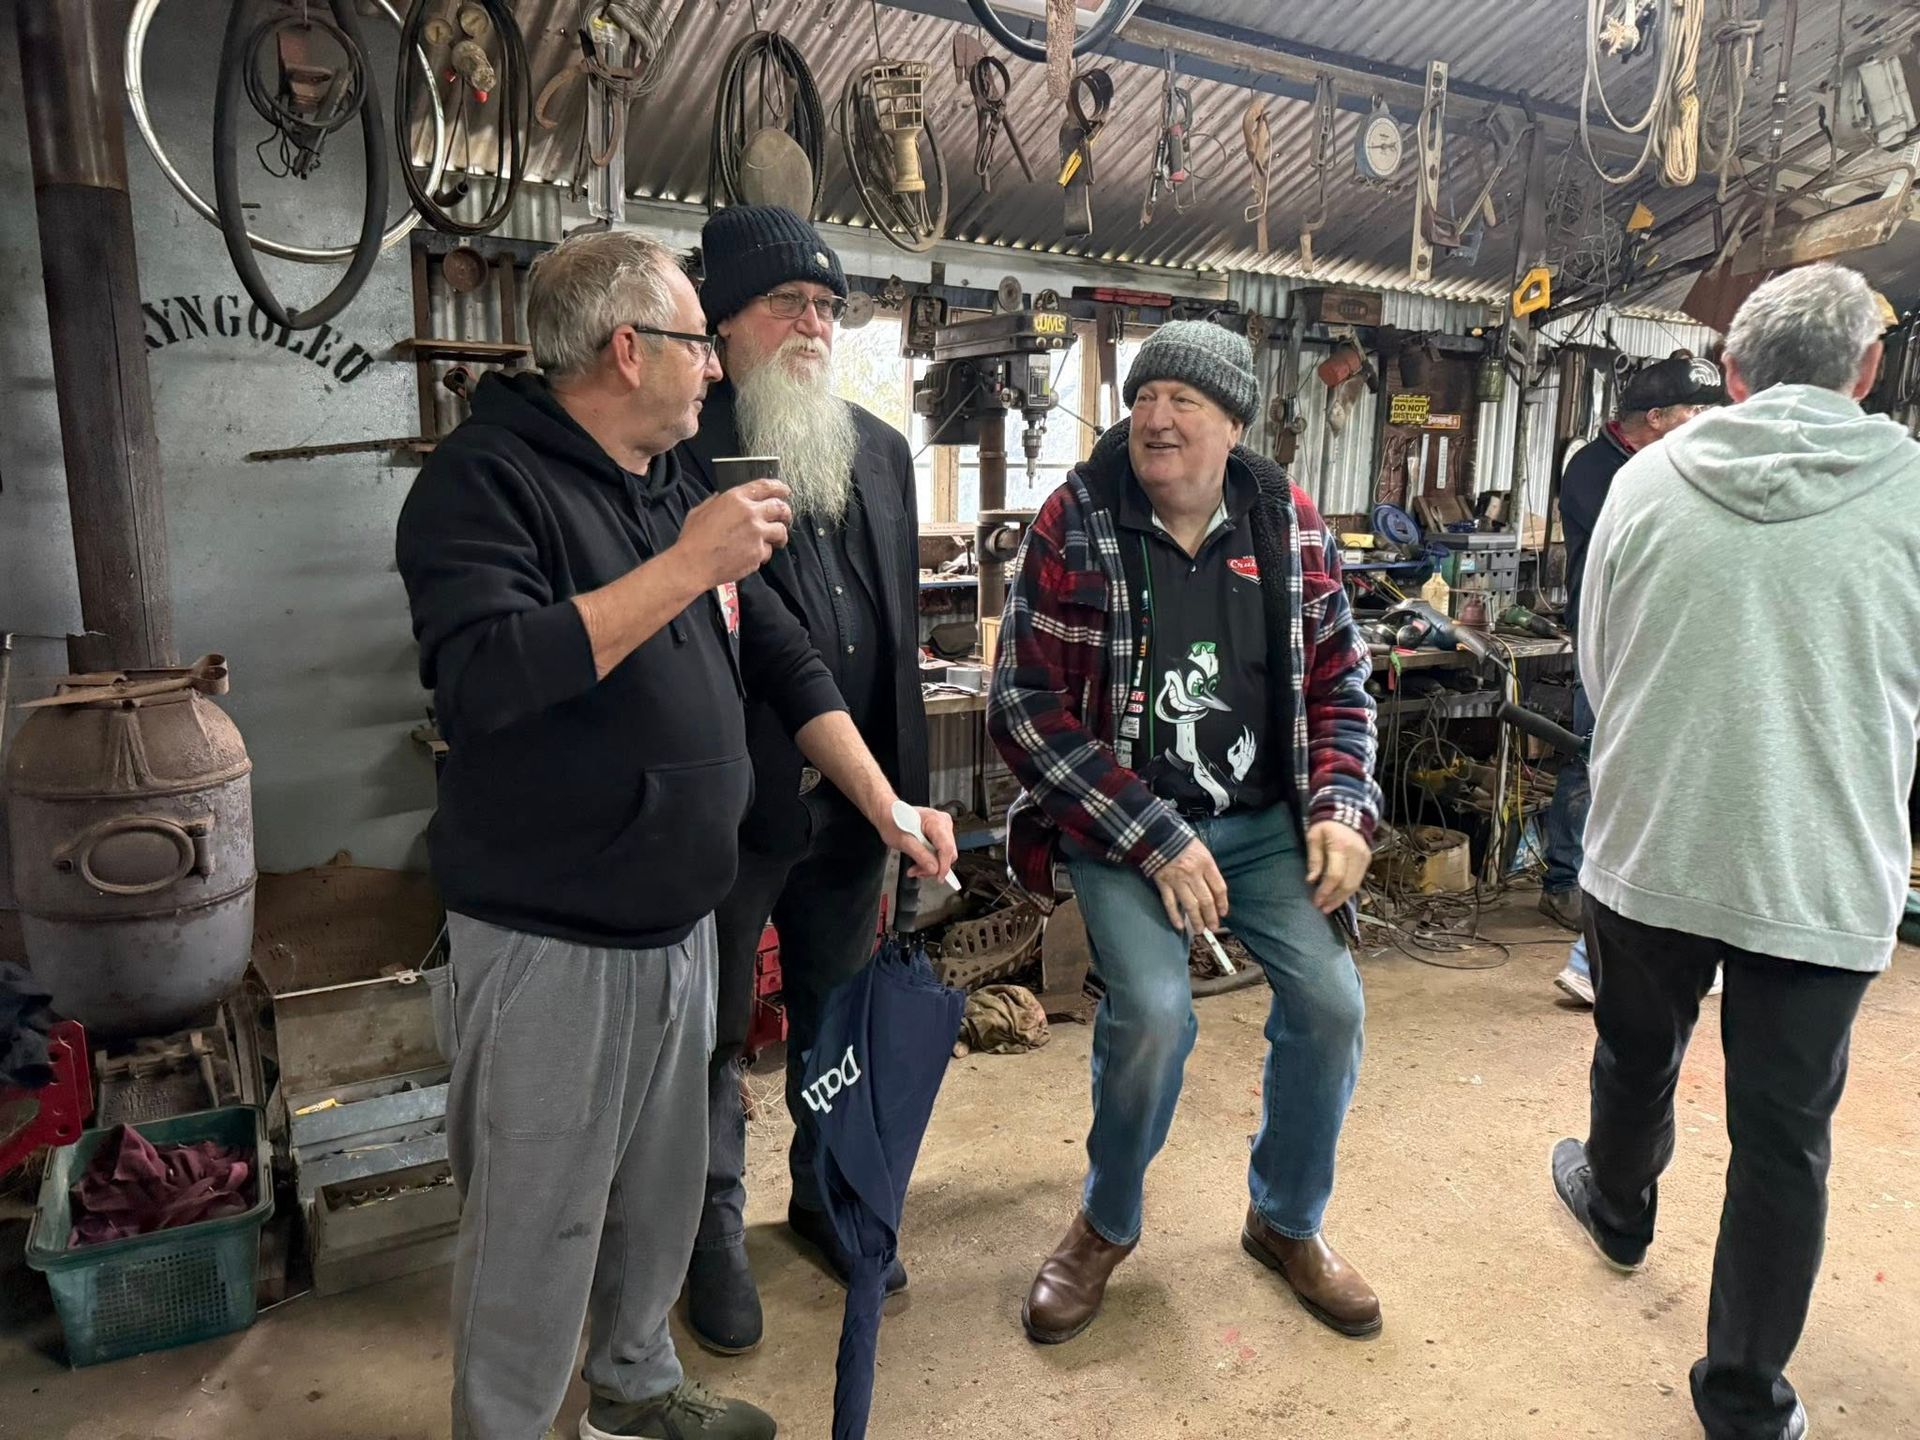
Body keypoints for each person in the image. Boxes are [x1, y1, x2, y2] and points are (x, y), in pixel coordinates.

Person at [394, 229, 955, 1440]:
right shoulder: (486, 482)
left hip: (678, 916)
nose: (711, 369)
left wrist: (886, 803)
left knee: (654, 1200)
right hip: (553, 933)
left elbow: (783, 658)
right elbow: (486, 680)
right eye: (698, 343)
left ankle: (635, 1396)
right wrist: (690, 564)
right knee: (538, 1219)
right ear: (626, 347)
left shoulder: (658, 484)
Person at [1550, 262, 1920, 1440]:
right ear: (1870, 368)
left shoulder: (1643, 481)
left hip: (1655, 838)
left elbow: (1599, 664)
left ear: (1731, 369)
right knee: (1782, 1141)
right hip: (1821, 866)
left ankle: (1619, 1208)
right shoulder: (1915, 490)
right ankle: (1746, 1398)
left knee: (1634, 1053)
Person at [987, 321, 1383, 1347]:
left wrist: (1342, 805)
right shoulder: (1077, 519)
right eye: (1143, 398)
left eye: (1183, 402)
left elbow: (1342, 680)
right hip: (1127, 827)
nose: (1154, 419)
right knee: (1157, 1015)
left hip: (1258, 823)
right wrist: (1152, 834)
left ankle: (1285, 1220)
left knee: (1332, 1005)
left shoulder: (1286, 521)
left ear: (1233, 424)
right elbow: (1024, 707)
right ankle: (1105, 1223)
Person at [672, 207, 930, 1355]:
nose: (814, 325)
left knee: (838, 1017)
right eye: (788, 304)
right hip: (733, 811)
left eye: (827, 306)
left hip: (857, 806)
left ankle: (826, 1198)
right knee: (715, 1035)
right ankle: (710, 1234)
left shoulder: (877, 449)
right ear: (723, 323)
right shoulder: (679, 450)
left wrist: (899, 792)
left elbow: (897, 631)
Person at [1541, 354, 1726, 953]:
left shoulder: (1676, 468)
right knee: (1590, 756)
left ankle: (1630, 885)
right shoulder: (1596, 471)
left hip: (1670, 637)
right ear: (1656, 417)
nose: (1704, 423)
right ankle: (1564, 881)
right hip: (1611, 639)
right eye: (1694, 411)